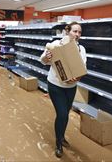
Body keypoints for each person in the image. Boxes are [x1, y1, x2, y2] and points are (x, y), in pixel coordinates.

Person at [40, 21, 87, 158]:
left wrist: (77, 78)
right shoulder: (55, 45)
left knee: (65, 113)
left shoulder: (80, 49)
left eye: (79, 32)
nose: (77, 34)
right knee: (62, 114)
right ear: (67, 31)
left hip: (71, 87)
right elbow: (42, 60)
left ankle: (61, 135)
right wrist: (46, 57)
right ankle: (58, 143)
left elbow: (82, 68)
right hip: (56, 86)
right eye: (74, 31)